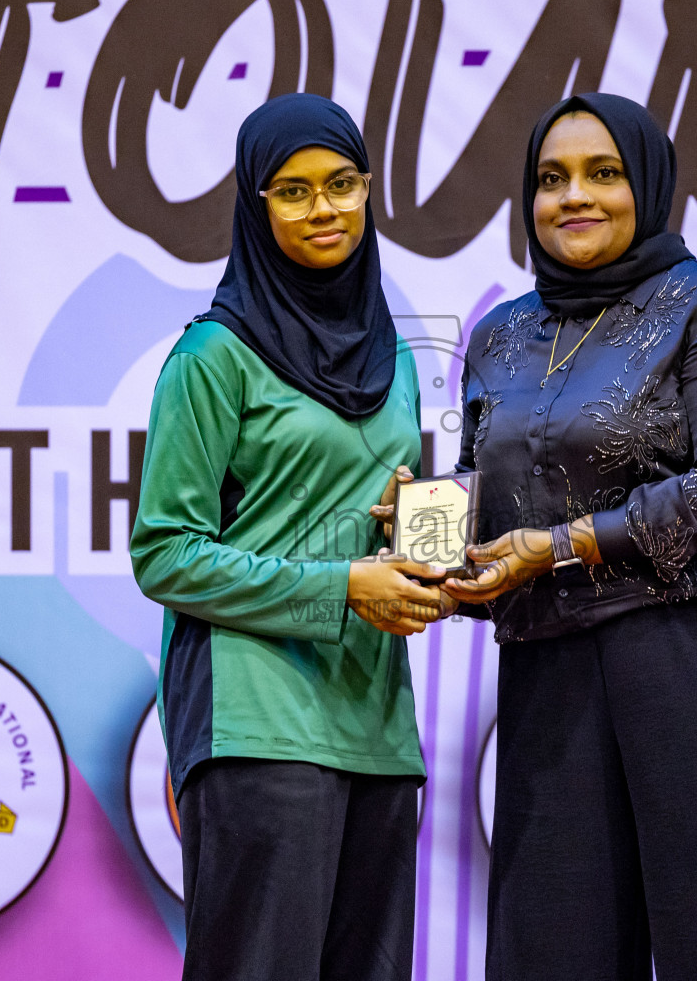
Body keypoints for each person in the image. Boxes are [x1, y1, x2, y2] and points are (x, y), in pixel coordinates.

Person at [443, 93, 697, 979]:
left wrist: (560, 546)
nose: (573, 197)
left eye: (603, 173)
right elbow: (493, 506)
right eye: (552, 179)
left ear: (648, 185)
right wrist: (434, 548)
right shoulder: (501, 337)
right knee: (553, 950)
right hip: (551, 671)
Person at [130, 92, 450, 981]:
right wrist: (345, 584)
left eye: (342, 184)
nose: (325, 210)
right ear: (256, 205)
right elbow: (165, 552)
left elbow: (378, 508)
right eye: (294, 190)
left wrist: (417, 542)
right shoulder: (212, 357)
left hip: (376, 723)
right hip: (255, 720)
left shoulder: (391, 359)